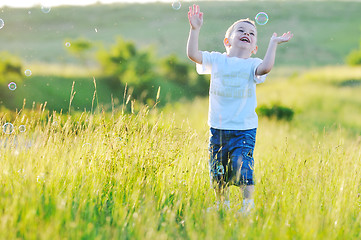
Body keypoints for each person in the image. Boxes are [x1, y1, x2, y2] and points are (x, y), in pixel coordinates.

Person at [186, 4, 293, 213]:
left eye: (252, 33)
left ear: (254, 47)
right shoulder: (216, 60)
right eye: (241, 31)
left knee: (241, 164)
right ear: (227, 41)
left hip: (244, 128)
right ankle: (221, 204)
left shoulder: (253, 64)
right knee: (217, 168)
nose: (247, 34)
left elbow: (266, 67)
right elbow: (193, 54)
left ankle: (247, 205)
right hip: (217, 127)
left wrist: (273, 44)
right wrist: (194, 29)